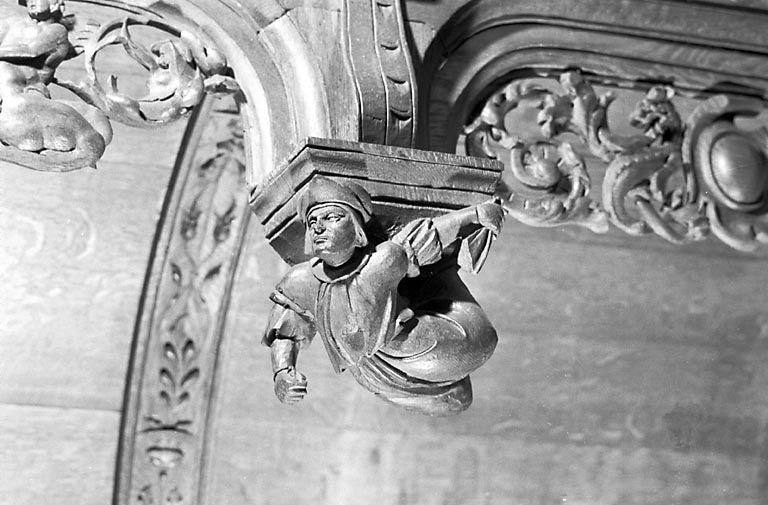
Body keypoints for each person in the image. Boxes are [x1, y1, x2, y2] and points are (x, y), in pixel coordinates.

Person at [262, 176, 504, 415]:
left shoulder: (385, 259)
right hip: (374, 372)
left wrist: (475, 215)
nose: (318, 227)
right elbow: (284, 332)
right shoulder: (301, 282)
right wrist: (282, 372)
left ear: (358, 234)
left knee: (476, 351)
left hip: (412, 345)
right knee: (457, 400)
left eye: (332, 217)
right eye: (312, 221)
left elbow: (428, 236)